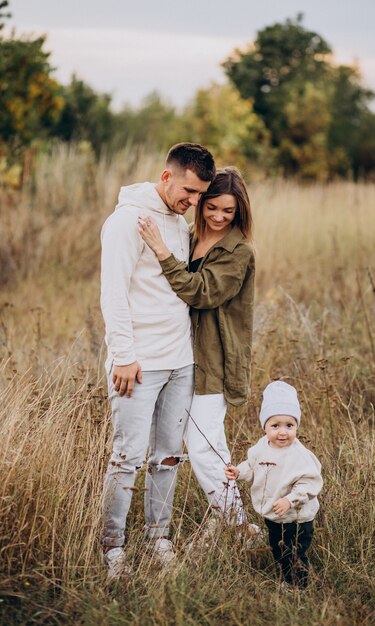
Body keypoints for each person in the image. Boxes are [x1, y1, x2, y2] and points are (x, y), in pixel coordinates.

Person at [100, 142, 216, 580]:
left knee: (168, 456)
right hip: (138, 364)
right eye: (188, 190)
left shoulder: (178, 222)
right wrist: (124, 356)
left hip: (180, 361)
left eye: (200, 194)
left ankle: (159, 537)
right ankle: (113, 549)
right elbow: (113, 292)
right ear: (167, 176)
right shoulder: (127, 221)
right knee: (126, 457)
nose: (193, 202)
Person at [138, 167, 255, 528]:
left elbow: (201, 293)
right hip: (180, 356)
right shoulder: (189, 236)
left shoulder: (238, 252)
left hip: (216, 361)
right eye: (212, 208)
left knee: (203, 444)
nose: (219, 217)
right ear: (200, 202)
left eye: (229, 211)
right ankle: (233, 521)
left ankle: (239, 528)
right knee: (205, 443)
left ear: (239, 213)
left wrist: (160, 250)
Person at [225, 381, 323, 589]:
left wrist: (290, 500)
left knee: (294, 551)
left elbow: (310, 483)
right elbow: (251, 466)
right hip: (272, 514)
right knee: (278, 549)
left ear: (297, 425)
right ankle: (288, 577)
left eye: (289, 425)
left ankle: (298, 586)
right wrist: (239, 472)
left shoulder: (300, 455)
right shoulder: (261, 447)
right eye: (275, 425)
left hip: (296, 517)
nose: (282, 432)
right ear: (265, 426)